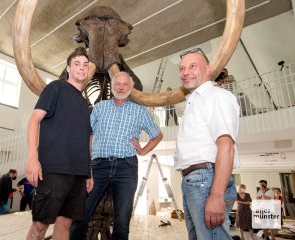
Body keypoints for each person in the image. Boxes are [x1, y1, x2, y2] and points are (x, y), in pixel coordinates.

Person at [70, 71, 163, 240]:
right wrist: (87, 166)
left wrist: (142, 150)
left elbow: (157, 135)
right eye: (117, 84)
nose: (121, 87)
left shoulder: (140, 111)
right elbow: (87, 135)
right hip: (98, 167)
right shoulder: (99, 108)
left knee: (122, 222)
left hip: (126, 168)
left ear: (131, 87)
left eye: (125, 84)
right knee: (81, 215)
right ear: (112, 87)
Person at [25, 47, 92, 240]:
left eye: (85, 65)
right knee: (40, 225)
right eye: (77, 64)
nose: (82, 68)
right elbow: (34, 120)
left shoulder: (85, 103)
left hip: (78, 174)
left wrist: (89, 173)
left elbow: (85, 140)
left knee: (65, 224)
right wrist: (32, 158)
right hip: (54, 169)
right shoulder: (56, 87)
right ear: (69, 69)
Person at [174, 48, 240, 240]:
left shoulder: (217, 97)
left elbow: (226, 146)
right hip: (193, 182)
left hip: (206, 180)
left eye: (193, 66)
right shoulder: (194, 101)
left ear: (208, 69)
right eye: (181, 68)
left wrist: (217, 195)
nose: (185, 72)